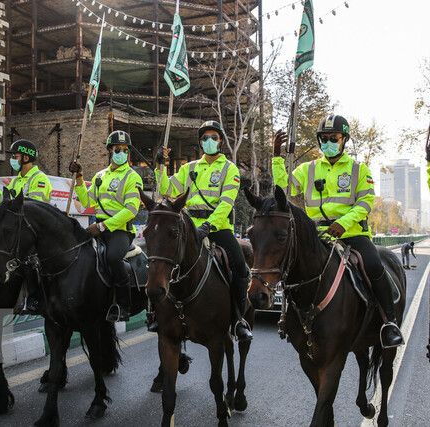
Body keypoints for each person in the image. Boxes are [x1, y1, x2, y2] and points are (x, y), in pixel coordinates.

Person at [272, 114, 404, 348]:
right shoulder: (307, 169)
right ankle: (289, 317)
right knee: (289, 264)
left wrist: (343, 223)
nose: (328, 142)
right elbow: (283, 190)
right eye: (324, 138)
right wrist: (276, 158)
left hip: (352, 233)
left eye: (334, 138)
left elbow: (365, 203)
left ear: (344, 140)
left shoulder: (359, 169)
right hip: (317, 235)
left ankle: (389, 323)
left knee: (373, 264)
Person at [154, 120, 253, 342]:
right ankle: (156, 313)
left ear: (220, 142)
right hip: (188, 226)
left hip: (217, 228)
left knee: (239, 266)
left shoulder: (230, 169)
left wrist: (208, 226)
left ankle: (238, 319)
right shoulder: (188, 169)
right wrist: (160, 166)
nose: (209, 141)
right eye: (205, 138)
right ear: (200, 143)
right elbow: (166, 190)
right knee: (160, 258)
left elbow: (226, 203)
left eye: (213, 137)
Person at [68, 130, 143, 322]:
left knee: (112, 257)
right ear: (110, 151)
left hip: (120, 231)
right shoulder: (100, 176)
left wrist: (102, 227)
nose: (122, 153)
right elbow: (86, 202)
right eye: (118, 149)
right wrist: (79, 177)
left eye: (125, 150)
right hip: (98, 228)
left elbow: (131, 211)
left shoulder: (133, 177)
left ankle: (124, 306)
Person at [0, 139, 52, 314]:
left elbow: (32, 207)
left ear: (26, 158)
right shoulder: (17, 180)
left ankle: (34, 297)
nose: (13, 159)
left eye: (15, 156)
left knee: (28, 259)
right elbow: (4, 202)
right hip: (18, 230)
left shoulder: (40, 179)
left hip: (34, 231)